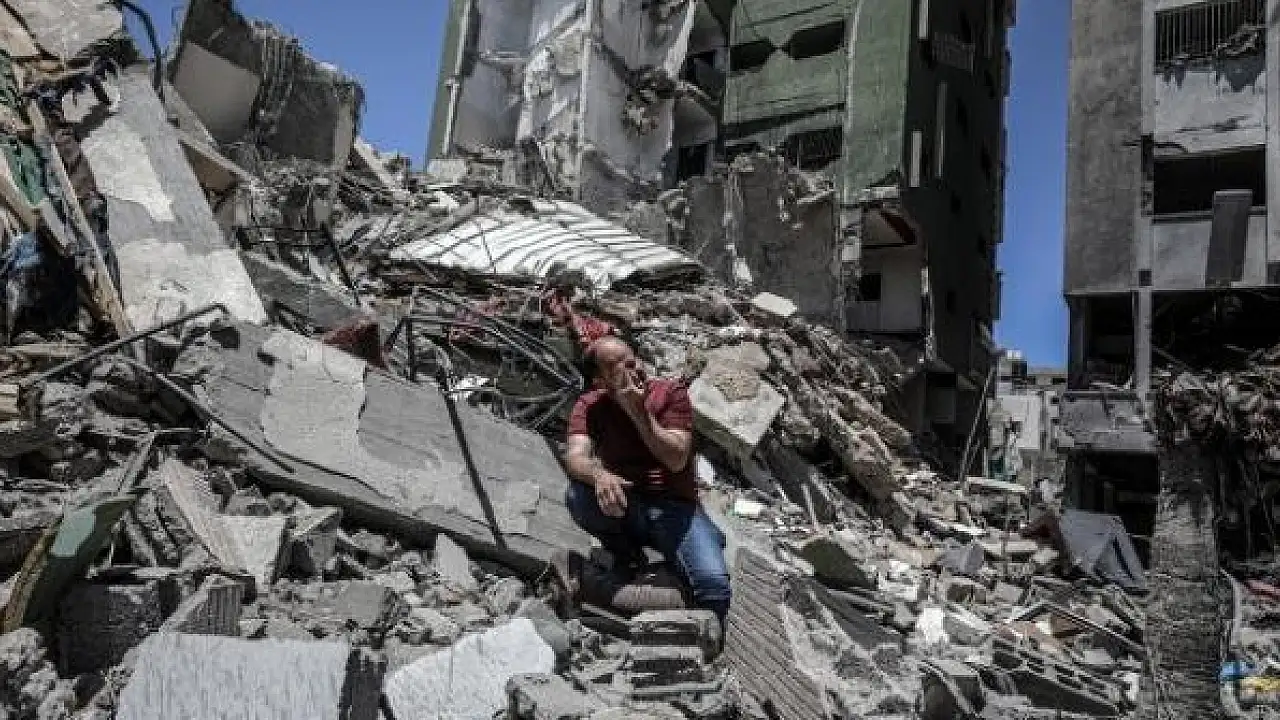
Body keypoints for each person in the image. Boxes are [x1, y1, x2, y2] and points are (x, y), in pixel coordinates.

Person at [561, 336, 731, 619]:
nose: (635, 367)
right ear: (601, 381)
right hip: (626, 504)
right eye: (620, 365)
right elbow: (575, 456)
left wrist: (638, 411)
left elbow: (676, 459)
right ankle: (626, 557)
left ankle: (686, 562)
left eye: (633, 359)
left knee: (714, 589)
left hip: (675, 509)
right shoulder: (590, 405)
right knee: (578, 495)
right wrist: (599, 474)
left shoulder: (671, 393)